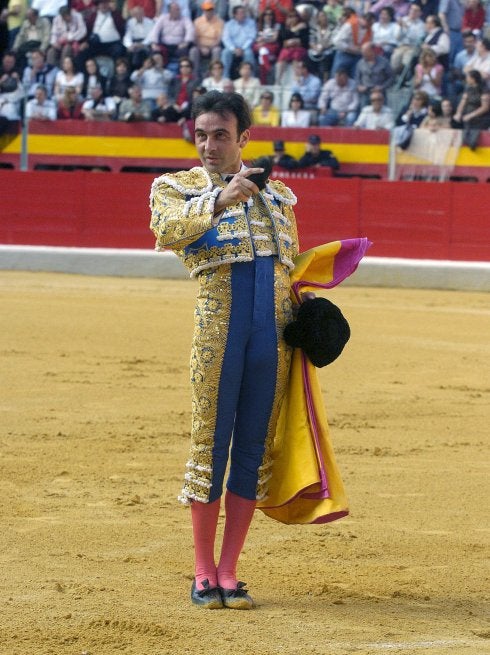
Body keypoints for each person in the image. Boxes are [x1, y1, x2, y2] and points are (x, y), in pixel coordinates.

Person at [149, 90, 299, 610]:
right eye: (201, 135)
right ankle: (201, 570)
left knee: (253, 450)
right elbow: (166, 231)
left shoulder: (278, 196)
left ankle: (230, 570)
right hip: (218, 331)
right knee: (209, 446)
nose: (208, 146)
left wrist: (308, 318)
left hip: (271, 337)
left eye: (220, 135)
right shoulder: (177, 188)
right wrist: (219, 198)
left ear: (243, 140)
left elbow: (289, 271)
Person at [148, 1, 194, 68]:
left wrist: (186, 42)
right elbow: (155, 30)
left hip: (179, 46)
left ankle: (180, 73)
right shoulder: (163, 18)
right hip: (164, 45)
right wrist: (153, 43)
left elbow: (190, 30)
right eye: (175, 10)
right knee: (155, 51)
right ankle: (159, 72)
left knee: (184, 51)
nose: (178, 11)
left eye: (178, 9)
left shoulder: (185, 19)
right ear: (170, 11)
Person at [452, 68, 490, 148]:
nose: (466, 79)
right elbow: (463, 102)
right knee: (465, 140)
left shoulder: (484, 90)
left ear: (473, 79)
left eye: (468, 77)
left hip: (480, 120)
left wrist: (471, 115)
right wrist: (458, 113)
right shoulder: (468, 88)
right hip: (468, 118)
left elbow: (485, 107)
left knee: (473, 141)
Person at [220, 5, 257, 80]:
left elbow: (251, 38)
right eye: (240, 13)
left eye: (243, 13)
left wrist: (243, 48)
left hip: (245, 48)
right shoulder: (229, 24)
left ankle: (250, 77)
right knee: (225, 52)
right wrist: (234, 49)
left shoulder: (251, 23)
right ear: (235, 15)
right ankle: (224, 77)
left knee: (249, 53)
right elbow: (226, 38)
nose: (243, 15)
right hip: (232, 48)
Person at [354, 41, 393, 109]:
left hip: (379, 93)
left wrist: (382, 87)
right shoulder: (360, 63)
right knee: (365, 112)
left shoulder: (384, 62)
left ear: (372, 51)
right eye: (362, 52)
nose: (363, 54)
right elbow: (357, 77)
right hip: (365, 93)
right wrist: (359, 86)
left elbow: (391, 78)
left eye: (365, 52)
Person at [189, 0, 224, 76]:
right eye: (207, 10)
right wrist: (201, 47)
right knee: (193, 51)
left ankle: (214, 75)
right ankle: (194, 75)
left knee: (217, 50)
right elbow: (195, 38)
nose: (209, 12)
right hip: (200, 46)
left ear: (213, 10)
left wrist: (210, 47)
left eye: (210, 10)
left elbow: (219, 38)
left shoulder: (219, 22)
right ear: (203, 10)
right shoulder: (197, 21)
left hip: (213, 46)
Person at [122, 4, 154, 71]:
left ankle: (142, 70)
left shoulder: (150, 22)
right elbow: (127, 36)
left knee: (142, 52)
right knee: (129, 51)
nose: (138, 15)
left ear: (143, 13)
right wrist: (129, 45)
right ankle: (131, 72)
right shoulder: (130, 22)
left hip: (146, 42)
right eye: (136, 14)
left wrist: (142, 44)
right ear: (133, 15)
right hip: (134, 42)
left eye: (140, 13)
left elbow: (151, 36)